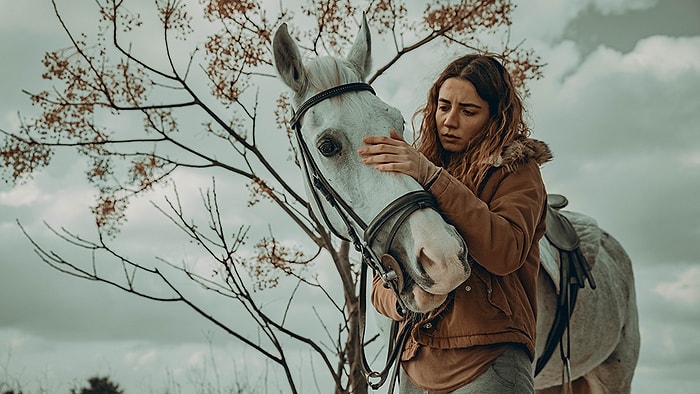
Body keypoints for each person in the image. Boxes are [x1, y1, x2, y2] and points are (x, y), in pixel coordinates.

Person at [358, 54, 552, 393]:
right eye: (443, 106)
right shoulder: (414, 173)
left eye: (468, 111)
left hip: (488, 355)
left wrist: (432, 177)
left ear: (495, 116)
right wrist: (406, 298)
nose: (449, 120)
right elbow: (380, 281)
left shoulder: (517, 170)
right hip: (415, 362)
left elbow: (504, 251)